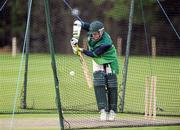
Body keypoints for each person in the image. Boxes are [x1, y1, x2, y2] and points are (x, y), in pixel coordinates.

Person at [70, 20, 119, 121]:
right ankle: (102, 111)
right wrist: (75, 39)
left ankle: (112, 111)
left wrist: (81, 49)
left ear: (101, 32)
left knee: (112, 85)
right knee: (98, 83)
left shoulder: (106, 43)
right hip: (97, 60)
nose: (93, 36)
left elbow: (93, 54)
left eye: (96, 34)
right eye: (92, 34)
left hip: (109, 59)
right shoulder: (93, 30)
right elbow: (79, 23)